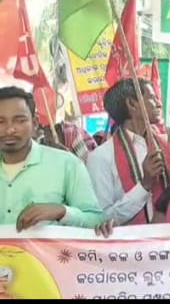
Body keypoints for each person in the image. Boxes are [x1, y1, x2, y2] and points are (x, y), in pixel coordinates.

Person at [86, 79, 170, 226]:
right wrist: (144, 185)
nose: (159, 104)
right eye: (152, 98)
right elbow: (103, 219)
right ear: (132, 104)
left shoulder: (166, 144)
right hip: (132, 240)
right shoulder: (101, 157)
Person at [0, 87, 103, 230]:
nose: (10, 129)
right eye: (1, 122)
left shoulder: (67, 164)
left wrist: (62, 211)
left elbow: (97, 220)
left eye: (20, 121)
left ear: (35, 123)